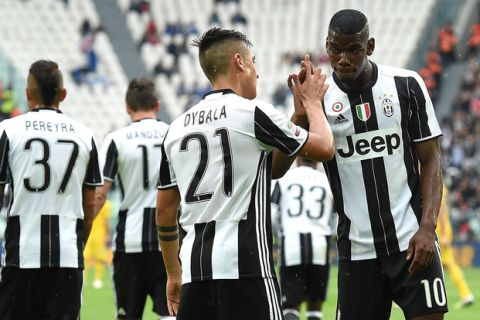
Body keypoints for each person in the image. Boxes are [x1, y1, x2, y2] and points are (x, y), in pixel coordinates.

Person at [156, 27, 334, 320]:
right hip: (247, 269)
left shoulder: (176, 128)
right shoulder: (252, 113)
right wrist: (314, 104)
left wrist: (173, 274)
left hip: (194, 273)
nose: (258, 73)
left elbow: (164, 212)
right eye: (254, 61)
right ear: (240, 62)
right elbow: (325, 148)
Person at [321, 9, 448, 320]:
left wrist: (428, 228)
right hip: (357, 251)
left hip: (412, 243)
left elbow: (431, 159)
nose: (344, 59)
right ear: (327, 47)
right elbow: (288, 163)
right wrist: (300, 114)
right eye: (336, 49)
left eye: (354, 49)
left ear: (371, 46)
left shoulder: (406, 85)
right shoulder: (318, 99)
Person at [0, 59, 102, 319]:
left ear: (27, 93)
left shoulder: (7, 130)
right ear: (63, 95)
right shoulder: (85, 135)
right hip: (67, 257)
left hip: (20, 255)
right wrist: (78, 244)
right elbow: (90, 205)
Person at [96, 78, 172, 320]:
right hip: (169, 243)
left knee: (128, 316)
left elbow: (100, 194)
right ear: (158, 105)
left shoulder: (116, 139)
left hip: (130, 243)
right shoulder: (174, 135)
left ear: (128, 107)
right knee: (171, 313)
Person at [271, 158, 335, 320]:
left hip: (290, 246)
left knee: (290, 307)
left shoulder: (284, 179)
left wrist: (281, 234)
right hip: (320, 246)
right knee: (315, 307)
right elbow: (336, 216)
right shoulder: (327, 181)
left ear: (297, 157)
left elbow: (271, 215)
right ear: (318, 161)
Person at [437, 184, 475, 309]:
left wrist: (443, 235)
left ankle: (466, 294)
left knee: (448, 264)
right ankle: (466, 294)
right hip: (441, 230)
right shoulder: (440, 182)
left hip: (438, 230)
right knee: (448, 264)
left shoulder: (434, 181)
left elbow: (440, 211)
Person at [84, 199, 112, 289]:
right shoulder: (105, 203)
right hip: (92, 233)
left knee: (99, 257)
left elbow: (106, 221)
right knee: (86, 257)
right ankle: (84, 278)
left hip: (98, 233)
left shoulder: (105, 204)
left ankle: (98, 279)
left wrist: (107, 234)